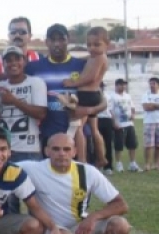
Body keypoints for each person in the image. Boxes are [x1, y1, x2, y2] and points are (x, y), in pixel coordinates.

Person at [19, 134, 131, 234]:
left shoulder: (88, 172)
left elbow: (121, 205)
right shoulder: (32, 168)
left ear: (74, 151)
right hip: (48, 229)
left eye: (66, 149)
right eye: (56, 149)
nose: (61, 153)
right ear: (46, 151)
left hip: (79, 229)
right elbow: (0, 164)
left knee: (121, 227)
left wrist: (93, 218)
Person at [26, 24, 104, 155]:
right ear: (47, 42)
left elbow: (102, 101)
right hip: (47, 136)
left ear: (68, 40)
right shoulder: (33, 68)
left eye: (61, 39)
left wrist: (88, 110)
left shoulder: (82, 66)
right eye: (53, 40)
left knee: (79, 175)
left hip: (77, 137)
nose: (57, 44)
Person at [61, 27, 110, 167]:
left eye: (97, 44)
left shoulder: (100, 58)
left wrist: (73, 82)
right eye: (89, 45)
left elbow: (91, 77)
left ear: (107, 44)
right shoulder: (94, 57)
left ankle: (82, 159)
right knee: (94, 129)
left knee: (78, 128)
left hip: (87, 95)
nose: (92, 48)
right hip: (92, 95)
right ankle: (101, 157)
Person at [0, 46, 48, 163]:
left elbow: (41, 114)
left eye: (17, 59)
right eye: (9, 60)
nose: (13, 63)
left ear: (24, 62)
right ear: (3, 64)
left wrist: (14, 100)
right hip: (3, 150)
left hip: (28, 150)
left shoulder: (36, 82)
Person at [110, 78, 141, 172]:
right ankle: (119, 163)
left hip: (129, 123)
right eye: (121, 84)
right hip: (119, 124)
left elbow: (132, 107)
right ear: (116, 85)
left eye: (124, 85)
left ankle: (132, 163)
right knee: (119, 145)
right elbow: (110, 110)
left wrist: (133, 115)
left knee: (132, 144)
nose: (123, 86)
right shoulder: (112, 97)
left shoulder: (127, 96)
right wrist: (114, 122)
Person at [96, 84, 115, 174]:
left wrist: (114, 121)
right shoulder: (93, 95)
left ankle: (108, 166)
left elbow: (110, 110)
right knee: (96, 143)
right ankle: (98, 164)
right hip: (96, 119)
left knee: (108, 143)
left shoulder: (108, 96)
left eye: (101, 86)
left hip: (107, 119)